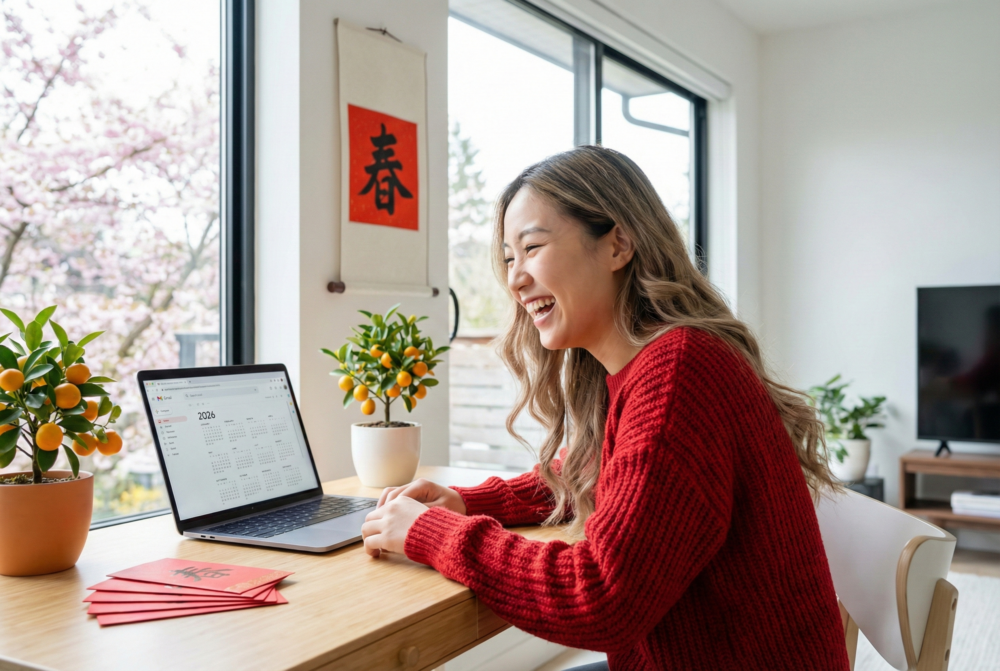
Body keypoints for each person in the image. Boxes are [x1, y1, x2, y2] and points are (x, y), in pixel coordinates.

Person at [361, 146, 850, 670]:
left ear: (618, 244)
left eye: (532, 247)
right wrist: (466, 502)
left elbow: (601, 596)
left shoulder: (682, 372)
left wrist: (432, 533)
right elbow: (590, 470)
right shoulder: (647, 366)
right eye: (508, 258)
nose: (515, 279)